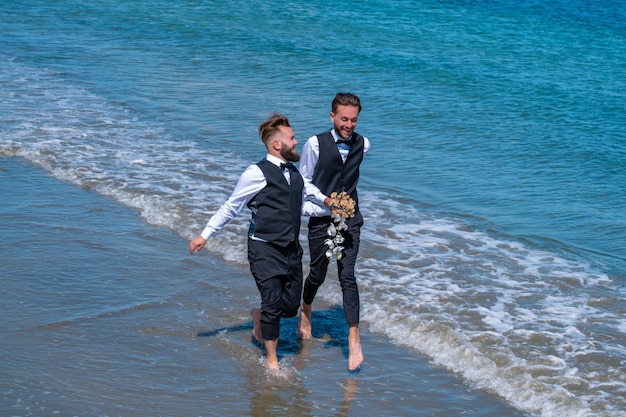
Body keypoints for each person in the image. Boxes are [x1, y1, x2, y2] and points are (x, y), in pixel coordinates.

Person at [189, 113, 304, 371]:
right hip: (264, 248)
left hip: (291, 249)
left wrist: (333, 206)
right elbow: (232, 206)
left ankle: (259, 316)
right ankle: (271, 359)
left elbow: (304, 203)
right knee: (273, 303)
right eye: (292, 138)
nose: (297, 142)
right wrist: (205, 234)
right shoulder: (256, 173)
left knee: (289, 308)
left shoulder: (294, 173)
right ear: (277, 144)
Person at [298, 92, 370, 371]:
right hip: (321, 218)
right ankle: (306, 308)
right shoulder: (314, 144)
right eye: (344, 119)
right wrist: (327, 201)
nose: (349, 125)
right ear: (332, 117)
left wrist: (344, 205)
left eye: (353, 120)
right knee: (317, 272)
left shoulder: (364, 145)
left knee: (347, 275)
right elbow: (304, 182)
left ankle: (354, 336)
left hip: (351, 220)